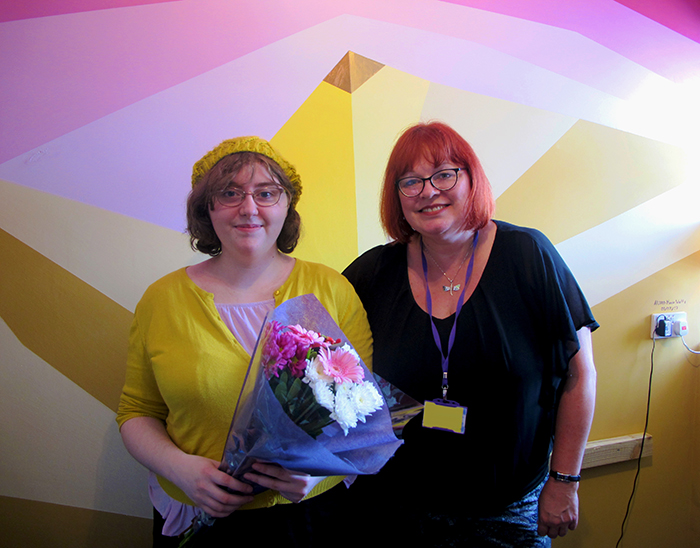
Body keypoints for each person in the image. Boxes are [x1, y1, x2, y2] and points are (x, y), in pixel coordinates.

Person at [342, 121, 597, 547]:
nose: (428, 191)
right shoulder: (373, 273)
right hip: (398, 512)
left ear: (471, 179)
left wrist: (565, 480)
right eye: (410, 182)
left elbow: (579, 375)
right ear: (396, 197)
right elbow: (326, 370)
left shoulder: (528, 255)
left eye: (444, 174)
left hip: (508, 511)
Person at [116, 136, 372, 546]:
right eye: (230, 193)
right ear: (207, 208)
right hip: (199, 517)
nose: (249, 208)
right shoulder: (162, 300)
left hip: (310, 518)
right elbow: (136, 411)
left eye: (266, 193)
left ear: (287, 205)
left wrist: (322, 466)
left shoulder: (331, 289)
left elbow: (365, 411)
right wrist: (180, 469)